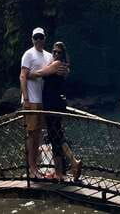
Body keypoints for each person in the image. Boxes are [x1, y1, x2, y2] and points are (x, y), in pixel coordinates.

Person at [33, 41, 82, 182]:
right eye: (54, 51)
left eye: (58, 52)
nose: (55, 54)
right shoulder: (62, 66)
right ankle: (70, 164)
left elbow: (41, 73)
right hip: (55, 103)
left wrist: (27, 73)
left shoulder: (56, 64)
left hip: (53, 104)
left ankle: (62, 171)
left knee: (55, 137)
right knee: (57, 136)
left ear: (63, 54)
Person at [20, 27, 60, 178]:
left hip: (43, 100)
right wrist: (26, 99)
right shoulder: (28, 54)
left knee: (39, 135)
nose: (38, 40)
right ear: (32, 39)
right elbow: (22, 76)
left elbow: (54, 71)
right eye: (35, 37)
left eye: (40, 37)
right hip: (32, 100)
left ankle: (37, 167)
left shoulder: (49, 56)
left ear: (44, 38)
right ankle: (31, 168)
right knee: (31, 135)